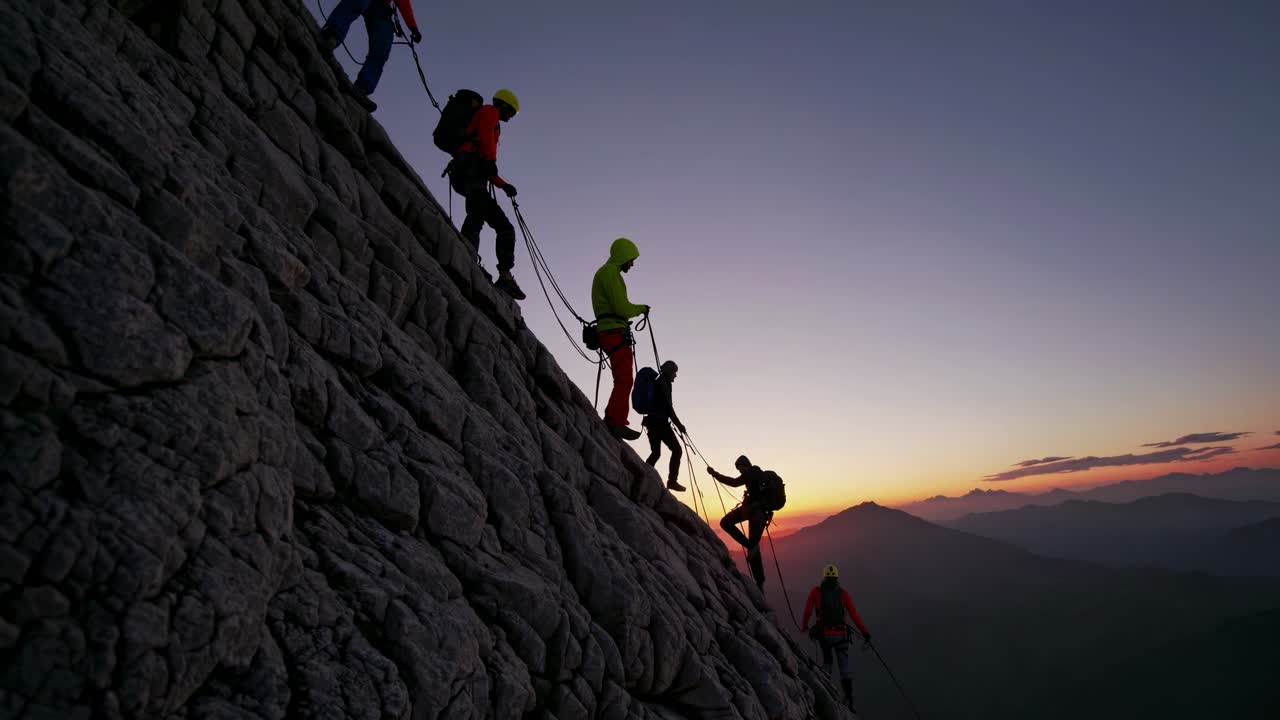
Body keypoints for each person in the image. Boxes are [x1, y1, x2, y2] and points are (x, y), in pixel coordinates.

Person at [448, 90, 525, 299]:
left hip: (473, 175)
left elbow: (485, 162)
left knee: (505, 228)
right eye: (512, 112)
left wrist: (503, 185)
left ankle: (505, 275)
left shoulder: (491, 119)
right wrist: (491, 164)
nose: (511, 117)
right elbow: (485, 141)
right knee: (477, 215)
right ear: (505, 105)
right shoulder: (490, 112)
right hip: (469, 174)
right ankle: (467, 255)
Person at [591, 238, 648, 440]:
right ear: (623, 256)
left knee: (623, 379)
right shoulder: (610, 273)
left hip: (610, 331)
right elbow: (621, 308)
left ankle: (613, 417)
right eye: (631, 260)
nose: (632, 264)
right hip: (613, 332)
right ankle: (615, 422)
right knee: (624, 379)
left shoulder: (607, 273)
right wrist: (641, 309)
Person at [319, 0, 422, 111]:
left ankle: (362, 88)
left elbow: (403, 2)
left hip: (382, 9)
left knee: (382, 44)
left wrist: (413, 27)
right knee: (357, 3)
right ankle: (331, 35)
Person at [801, 564, 871, 711]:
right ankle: (849, 699)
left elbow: (808, 610)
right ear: (836, 578)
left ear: (824, 577)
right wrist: (865, 632)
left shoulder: (816, 592)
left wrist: (805, 626)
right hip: (841, 635)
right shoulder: (843, 594)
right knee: (844, 667)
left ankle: (826, 693)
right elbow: (854, 615)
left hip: (825, 634)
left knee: (827, 662)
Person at [708, 455, 775, 590]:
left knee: (726, 523)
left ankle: (759, 581)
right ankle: (759, 582)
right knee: (753, 546)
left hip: (753, 511)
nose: (740, 472)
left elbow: (732, 482)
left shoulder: (750, 472)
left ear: (746, 465)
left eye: (740, 468)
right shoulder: (758, 474)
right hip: (761, 513)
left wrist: (714, 473)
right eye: (739, 470)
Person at [643, 360, 686, 492]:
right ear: (669, 371)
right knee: (677, 450)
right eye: (674, 372)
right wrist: (679, 425)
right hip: (660, 424)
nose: (675, 376)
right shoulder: (664, 383)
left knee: (656, 453)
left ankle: (643, 474)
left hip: (651, 423)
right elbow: (668, 408)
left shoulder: (658, 381)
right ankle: (672, 481)